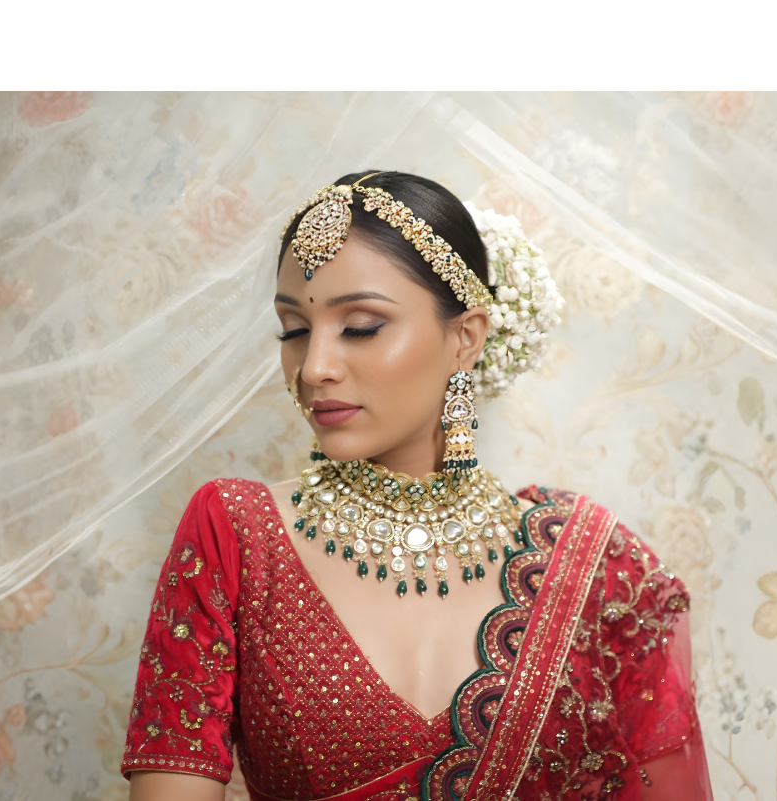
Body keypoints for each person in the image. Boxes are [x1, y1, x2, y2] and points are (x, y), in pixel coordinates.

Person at [122, 171, 712, 800]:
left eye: (360, 325)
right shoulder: (238, 535)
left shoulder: (590, 563)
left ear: (465, 338)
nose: (314, 367)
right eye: (294, 330)